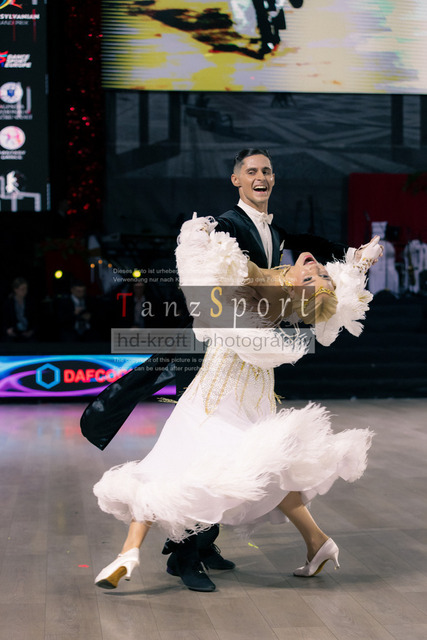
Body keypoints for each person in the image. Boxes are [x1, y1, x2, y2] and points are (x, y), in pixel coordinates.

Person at [92, 215, 379, 592]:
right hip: (254, 398)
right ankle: (318, 542)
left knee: (168, 467)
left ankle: (129, 553)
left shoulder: (263, 295)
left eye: (313, 278)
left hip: (213, 397)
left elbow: (202, 287)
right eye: (320, 271)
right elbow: (336, 296)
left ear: (295, 291)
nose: (316, 267)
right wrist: (358, 263)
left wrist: (196, 237)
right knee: (269, 473)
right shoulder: (285, 293)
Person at [164, 148, 379, 590]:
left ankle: (204, 544)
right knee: (207, 448)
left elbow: (309, 243)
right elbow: (206, 264)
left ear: (273, 179)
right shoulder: (227, 224)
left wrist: (351, 254)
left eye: (265, 171)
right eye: (251, 171)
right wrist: (199, 233)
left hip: (255, 360)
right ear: (236, 179)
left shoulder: (275, 232)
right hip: (220, 353)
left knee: (244, 452)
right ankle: (186, 555)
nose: (259, 176)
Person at [2, 276, 37, 341]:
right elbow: (4, 319)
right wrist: (7, 330)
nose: (25, 291)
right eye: (22, 289)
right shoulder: (9, 303)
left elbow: (35, 319)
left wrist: (31, 331)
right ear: (16, 290)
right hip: (13, 333)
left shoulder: (30, 302)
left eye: (26, 288)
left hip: (28, 332)